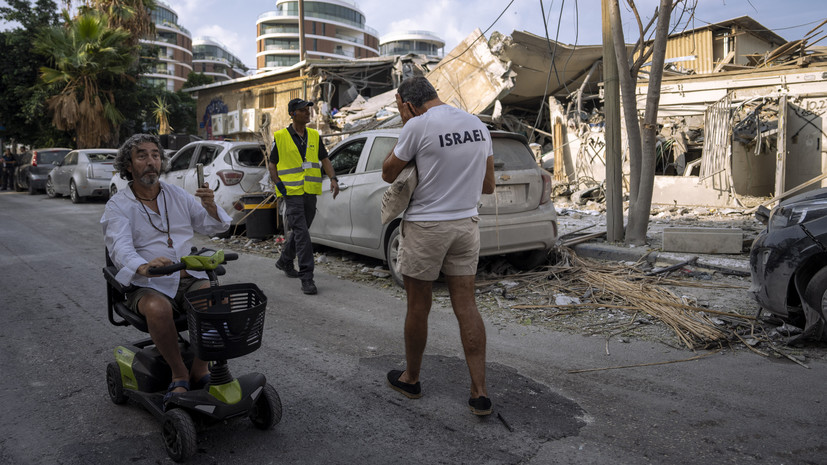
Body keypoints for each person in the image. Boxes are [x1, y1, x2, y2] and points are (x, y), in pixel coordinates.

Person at [381, 76, 496, 416]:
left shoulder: (417, 124)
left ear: (406, 103)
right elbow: (488, 185)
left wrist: (408, 125)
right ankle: (479, 393)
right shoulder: (477, 124)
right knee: (467, 306)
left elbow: (389, 173)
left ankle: (411, 378)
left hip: (426, 226)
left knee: (418, 306)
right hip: (466, 225)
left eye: (400, 107)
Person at [101, 133, 232, 405]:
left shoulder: (176, 194)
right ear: (128, 165)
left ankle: (199, 369)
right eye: (142, 155)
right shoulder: (118, 206)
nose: (151, 161)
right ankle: (179, 373)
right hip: (147, 285)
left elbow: (214, 227)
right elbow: (120, 248)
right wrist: (144, 266)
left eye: (156, 155)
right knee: (158, 308)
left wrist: (210, 206)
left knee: (217, 299)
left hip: (188, 279)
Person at [268, 98, 339, 295]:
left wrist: (333, 178)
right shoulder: (281, 137)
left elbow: (324, 159)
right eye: (303, 110)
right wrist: (278, 183)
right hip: (291, 192)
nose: (308, 113)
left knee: (302, 230)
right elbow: (272, 164)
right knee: (302, 233)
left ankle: (284, 260)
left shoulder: (314, 135)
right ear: (293, 114)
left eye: (309, 110)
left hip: (310, 190)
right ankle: (307, 277)